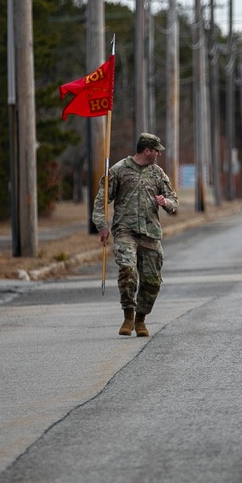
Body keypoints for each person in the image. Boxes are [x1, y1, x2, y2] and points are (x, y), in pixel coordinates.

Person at [92, 132, 178, 337]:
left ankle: (141, 318)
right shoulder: (119, 170)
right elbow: (101, 200)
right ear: (147, 150)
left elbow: (173, 202)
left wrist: (166, 203)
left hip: (150, 233)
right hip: (125, 231)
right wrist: (102, 225)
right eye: (156, 151)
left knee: (152, 281)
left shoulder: (158, 174)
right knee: (128, 270)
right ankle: (128, 315)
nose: (159, 154)